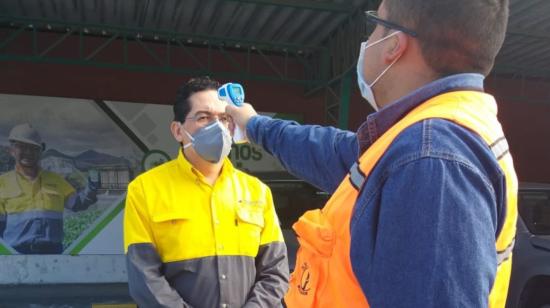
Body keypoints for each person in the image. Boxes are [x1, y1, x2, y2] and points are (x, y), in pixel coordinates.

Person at [226, 0, 517, 307]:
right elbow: (332, 152)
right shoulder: (419, 138)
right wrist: (253, 124)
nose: (370, 39)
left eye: (378, 24)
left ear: (394, 45)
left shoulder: (432, 160)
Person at [123, 77, 289, 308]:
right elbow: (145, 278)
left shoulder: (257, 191)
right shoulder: (144, 190)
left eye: (224, 118)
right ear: (178, 131)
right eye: (203, 117)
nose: (218, 127)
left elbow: (275, 272)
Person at [0, 123, 98, 254]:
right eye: (22, 147)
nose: (28, 152)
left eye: (34, 148)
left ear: (41, 150)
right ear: (11, 150)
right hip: (15, 255)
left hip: (52, 253)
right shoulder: (2, 183)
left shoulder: (56, 180)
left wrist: (92, 187)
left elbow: (77, 203)